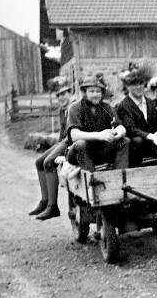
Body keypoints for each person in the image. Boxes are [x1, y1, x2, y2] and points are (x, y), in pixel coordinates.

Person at [29, 78, 73, 220]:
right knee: (38, 162)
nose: (61, 97)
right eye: (58, 95)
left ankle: (53, 206)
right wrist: (56, 145)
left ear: (70, 92)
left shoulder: (74, 107)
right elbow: (62, 131)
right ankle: (45, 201)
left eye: (64, 94)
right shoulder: (63, 109)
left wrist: (61, 147)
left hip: (72, 143)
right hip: (63, 142)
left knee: (48, 162)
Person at [66, 75, 129, 172]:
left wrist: (119, 132)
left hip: (100, 151)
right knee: (81, 144)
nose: (95, 94)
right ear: (84, 92)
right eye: (91, 91)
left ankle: (121, 178)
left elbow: (120, 126)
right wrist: (99, 135)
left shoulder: (106, 107)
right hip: (78, 153)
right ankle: (92, 180)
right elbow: (74, 135)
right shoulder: (75, 108)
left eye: (98, 91)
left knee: (124, 141)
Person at [117, 68, 157, 167]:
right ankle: (137, 172)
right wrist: (152, 136)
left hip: (151, 142)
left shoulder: (151, 102)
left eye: (141, 83)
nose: (138, 87)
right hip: (135, 145)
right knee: (138, 140)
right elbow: (131, 129)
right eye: (134, 84)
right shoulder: (123, 106)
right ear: (128, 86)